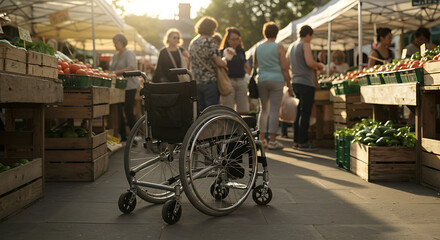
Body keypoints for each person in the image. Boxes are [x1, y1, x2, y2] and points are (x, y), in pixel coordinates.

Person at [255, 22, 293, 150]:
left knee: (263, 109)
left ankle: (261, 139)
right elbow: (284, 67)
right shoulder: (279, 47)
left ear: (264, 33)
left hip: (262, 80)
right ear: (277, 33)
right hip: (276, 80)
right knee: (274, 110)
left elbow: (255, 66)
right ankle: (272, 141)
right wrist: (289, 84)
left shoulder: (258, 47)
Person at [287, 25, 323, 150]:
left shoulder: (291, 46)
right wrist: (319, 65)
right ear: (308, 35)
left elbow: (287, 64)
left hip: (295, 81)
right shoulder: (305, 45)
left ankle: (296, 141)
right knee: (305, 112)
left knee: (298, 112)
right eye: (311, 36)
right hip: (306, 82)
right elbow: (309, 63)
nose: (311, 39)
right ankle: (303, 142)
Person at [189, 16, 227, 112]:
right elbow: (219, 62)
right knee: (212, 111)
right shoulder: (210, 41)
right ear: (212, 29)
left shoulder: (193, 42)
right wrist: (226, 59)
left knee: (201, 112)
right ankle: (212, 128)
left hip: (196, 81)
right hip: (210, 81)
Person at [109, 33, 140, 141]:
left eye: (116, 43)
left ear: (122, 42)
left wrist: (116, 72)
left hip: (130, 85)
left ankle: (134, 135)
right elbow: (112, 68)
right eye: (114, 43)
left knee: (128, 110)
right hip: (119, 87)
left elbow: (131, 68)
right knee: (118, 111)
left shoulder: (129, 53)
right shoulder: (115, 55)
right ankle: (123, 136)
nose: (115, 45)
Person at [219, 27, 251, 114]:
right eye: (233, 39)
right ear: (228, 39)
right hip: (229, 81)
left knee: (243, 109)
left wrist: (247, 77)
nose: (235, 41)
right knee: (228, 109)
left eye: (237, 39)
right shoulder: (222, 51)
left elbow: (245, 65)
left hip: (241, 81)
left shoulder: (241, 51)